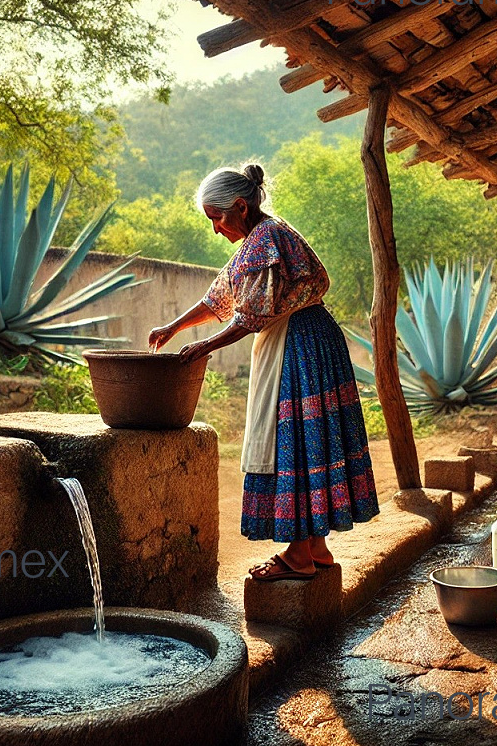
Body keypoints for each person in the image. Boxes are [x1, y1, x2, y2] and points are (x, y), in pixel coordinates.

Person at [147, 163, 379, 581]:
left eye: (216, 217)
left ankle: (296, 557)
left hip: (298, 344)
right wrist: (174, 326)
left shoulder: (265, 239)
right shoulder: (261, 239)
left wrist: (204, 346)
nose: (216, 229)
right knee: (311, 442)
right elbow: (219, 298)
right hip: (308, 339)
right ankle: (316, 548)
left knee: (292, 441)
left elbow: (250, 315)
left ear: (239, 206)